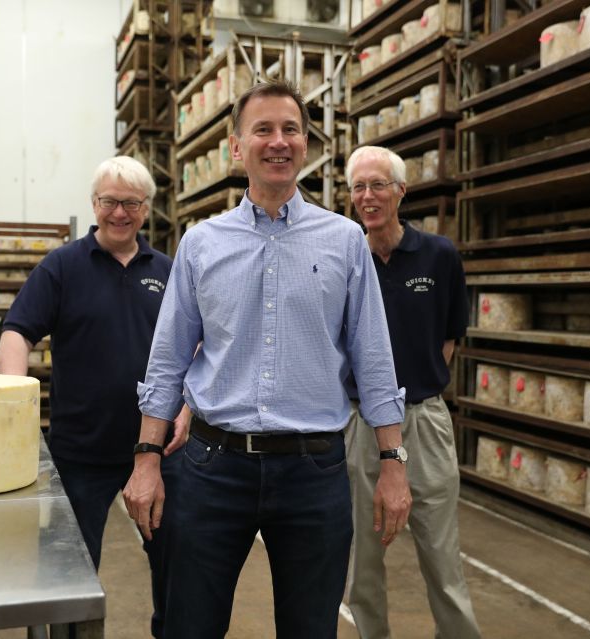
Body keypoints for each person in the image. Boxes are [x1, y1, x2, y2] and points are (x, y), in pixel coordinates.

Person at [122, 81, 412, 639]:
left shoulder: (346, 240)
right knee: (190, 626)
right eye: (263, 130)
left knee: (310, 628)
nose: (278, 142)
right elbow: (167, 362)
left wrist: (393, 464)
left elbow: (374, 359)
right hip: (213, 467)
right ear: (237, 147)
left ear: (305, 145)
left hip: (314, 471)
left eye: (291, 129)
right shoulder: (203, 243)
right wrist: (146, 459)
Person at [0, 155, 186, 639]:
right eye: (108, 202)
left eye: (130, 203)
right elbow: (17, 333)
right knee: (70, 575)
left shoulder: (168, 271)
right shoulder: (62, 267)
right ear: (93, 204)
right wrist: (15, 403)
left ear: (146, 208)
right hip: (81, 452)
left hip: (161, 452)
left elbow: (200, 347)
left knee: (178, 567)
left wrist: (189, 406)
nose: (118, 213)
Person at [344, 145, 481, 639]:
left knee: (443, 560)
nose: (368, 196)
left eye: (379, 184)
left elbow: (448, 339)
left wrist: (411, 397)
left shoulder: (438, 255)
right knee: (363, 561)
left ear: (401, 191)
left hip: (424, 421)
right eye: (359, 187)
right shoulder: (346, 256)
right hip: (360, 426)